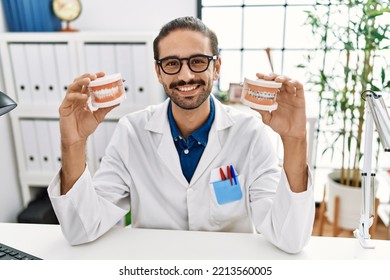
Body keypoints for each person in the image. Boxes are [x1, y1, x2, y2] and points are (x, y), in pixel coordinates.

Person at [48, 16, 315, 254]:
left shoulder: (250, 133)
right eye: (172, 63)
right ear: (158, 72)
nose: (186, 75)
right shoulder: (132, 132)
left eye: (198, 62)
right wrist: (73, 143)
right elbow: (81, 230)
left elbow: (288, 238)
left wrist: (295, 140)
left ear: (217, 67)